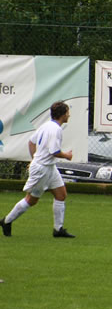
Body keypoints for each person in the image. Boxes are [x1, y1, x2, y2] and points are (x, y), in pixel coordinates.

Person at [1, 101, 75, 238]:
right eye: (67, 112)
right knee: (31, 200)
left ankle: (58, 230)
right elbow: (55, 152)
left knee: (61, 195)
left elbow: (31, 142)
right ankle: (6, 221)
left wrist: (34, 158)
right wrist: (67, 156)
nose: (69, 115)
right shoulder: (56, 129)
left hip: (49, 167)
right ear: (63, 114)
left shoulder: (46, 125)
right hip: (42, 169)